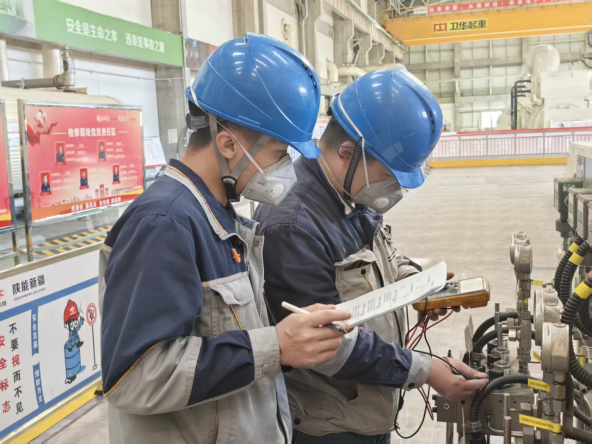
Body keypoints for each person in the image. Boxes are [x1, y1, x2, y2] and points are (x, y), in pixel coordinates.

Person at [99, 33, 351, 444]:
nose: (285, 169)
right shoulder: (164, 222)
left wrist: (288, 340)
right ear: (228, 144)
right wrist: (274, 347)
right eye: (279, 154)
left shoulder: (216, 214)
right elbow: (136, 377)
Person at [254, 69, 489, 443]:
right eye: (390, 175)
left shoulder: (352, 194)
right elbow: (326, 345)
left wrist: (416, 282)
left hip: (366, 407)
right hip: (327, 426)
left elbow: (382, 257)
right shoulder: (292, 225)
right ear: (349, 153)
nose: (394, 188)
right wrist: (427, 370)